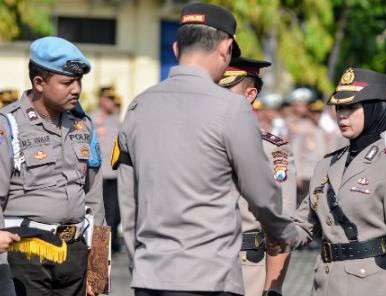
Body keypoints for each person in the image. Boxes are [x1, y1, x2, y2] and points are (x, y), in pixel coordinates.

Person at [113, 3, 298, 296]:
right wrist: (286, 231)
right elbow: (261, 194)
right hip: (208, 277)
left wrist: (140, 264)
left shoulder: (138, 106)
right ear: (226, 48)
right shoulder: (230, 108)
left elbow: (128, 199)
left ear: (176, 48)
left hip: (151, 276)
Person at [290, 67, 386, 296]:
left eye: (351, 107)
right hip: (325, 285)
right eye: (339, 107)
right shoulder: (326, 165)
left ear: (374, 109)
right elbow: (303, 226)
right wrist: (272, 225)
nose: (342, 115)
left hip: (370, 287)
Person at [0, 36, 105, 296]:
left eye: (79, 81)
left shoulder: (83, 125)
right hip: (27, 254)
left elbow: (95, 197)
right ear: (39, 83)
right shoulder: (8, 126)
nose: (77, 89)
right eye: (67, 82)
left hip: (75, 254)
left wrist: (99, 266)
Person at [218, 57, 296, 296]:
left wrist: (273, 289)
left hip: (247, 270)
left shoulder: (272, 150)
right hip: (198, 265)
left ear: (249, 94)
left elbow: (282, 225)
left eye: (225, 89)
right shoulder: (195, 142)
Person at [90, 86, 122, 254]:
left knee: (115, 212)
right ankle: (102, 245)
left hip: (115, 174)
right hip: (100, 174)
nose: (112, 103)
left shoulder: (116, 118)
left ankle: (114, 242)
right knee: (101, 210)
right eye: (109, 99)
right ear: (102, 100)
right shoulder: (93, 118)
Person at [288, 88, 327, 206]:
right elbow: (295, 151)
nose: (317, 115)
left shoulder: (320, 129)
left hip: (317, 175)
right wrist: (297, 174)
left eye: (319, 112)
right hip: (305, 175)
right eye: (314, 112)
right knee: (302, 207)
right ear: (309, 112)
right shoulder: (301, 128)